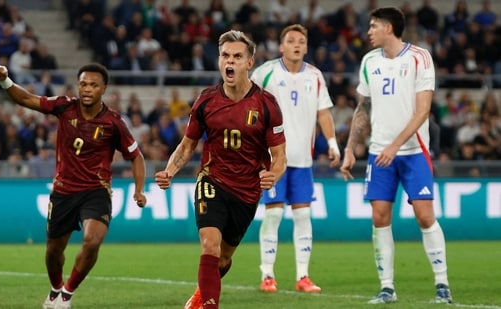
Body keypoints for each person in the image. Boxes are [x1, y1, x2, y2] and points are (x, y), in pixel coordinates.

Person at [0, 62, 147, 309]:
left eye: (93, 85)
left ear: (103, 89)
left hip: (96, 192)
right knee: (53, 251)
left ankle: (67, 293)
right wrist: (5, 81)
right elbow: (27, 100)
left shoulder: (114, 122)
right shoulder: (64, 106)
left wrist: (139, 189)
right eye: (83, 84)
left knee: (92, 241)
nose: (87, 89)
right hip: (63, 192)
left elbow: (136, 156)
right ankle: (55, 289)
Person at [155, 30, 287, 309]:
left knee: (224, 258)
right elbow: (187, 146)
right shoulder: (206, 100)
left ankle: (203, 293)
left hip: (247, 191)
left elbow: (280, 156)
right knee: (210, 246)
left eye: (237, 56)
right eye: (225, 56)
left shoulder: (267, 105)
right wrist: (169, 171)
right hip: (212, 181)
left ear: (249, 62)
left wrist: (273, 174)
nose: (230, 62)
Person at [339, 7, 453, 304]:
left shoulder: (419, 57)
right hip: (379, 153)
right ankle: (387, 287)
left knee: (425, 215)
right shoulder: (368, 62)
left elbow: (422, 111)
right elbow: (362, 109)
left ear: (388, 28)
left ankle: (442, 285)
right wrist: (351, 148)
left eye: (373, 26)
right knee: (379, 217)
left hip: (413, 151)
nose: (369, 32)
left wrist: (395, 146)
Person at [250, 23, 340, 294]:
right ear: (281, 46)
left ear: (306, 47)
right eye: (291, 40)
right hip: (273, 160)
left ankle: (303, 276)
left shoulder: (315, 76)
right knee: (274, 214)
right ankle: (268, 274)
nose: (296, 44)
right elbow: (247, 105)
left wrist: (333, 143)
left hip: (303, 160)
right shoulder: (265, 73)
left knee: (303, 216)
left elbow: (323, 113)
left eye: (301, 40)